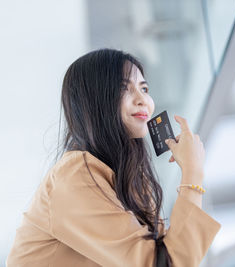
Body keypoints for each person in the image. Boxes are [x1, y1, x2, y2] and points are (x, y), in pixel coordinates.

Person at [6, 48, 221, 267]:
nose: (142, 100)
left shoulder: (129, 180)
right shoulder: (74, 176)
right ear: (94, 101)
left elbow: (168, 254)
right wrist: (193, 173)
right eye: (123, 88)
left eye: (144, 88)